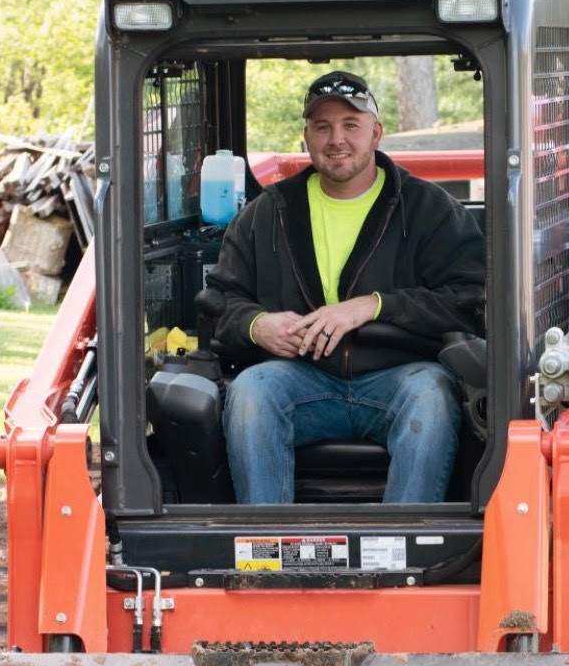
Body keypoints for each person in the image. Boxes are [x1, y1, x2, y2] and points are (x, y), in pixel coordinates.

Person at [204, 70, 485, 504]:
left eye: (350, 125)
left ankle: (402, 540)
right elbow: (220, 301)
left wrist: (374, 305)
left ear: (376, 133)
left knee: (431, 395)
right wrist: (257, 325)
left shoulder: (430, 210)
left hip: (401, 377)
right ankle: (265, 541)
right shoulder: (266, 214)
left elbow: (472, 300)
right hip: (300, 380)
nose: (337, 139)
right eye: (323, 127)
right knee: (251, 391)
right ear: (306, 137)